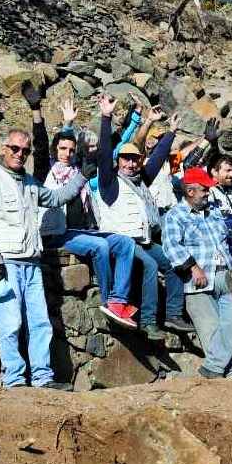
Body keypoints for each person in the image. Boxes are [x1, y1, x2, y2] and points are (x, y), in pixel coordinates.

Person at [0, 127, 91, 389]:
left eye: (25, 151)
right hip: (6, 264)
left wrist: (82, 175)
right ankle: (14, 380)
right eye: (15, 149)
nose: (20, 154)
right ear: (4, 148)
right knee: (10, 324)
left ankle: (42, 378)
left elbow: (58, 196)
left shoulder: (30, 183)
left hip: (32, 264)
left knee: (40, 324)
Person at [29, 98, 137, 328]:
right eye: (62, 149)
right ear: (55, 150)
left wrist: (122, 118)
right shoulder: (47, 173)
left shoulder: (80, 169)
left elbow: (110, 148)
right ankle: (109, 302)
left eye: (70, 149)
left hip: (84, 230)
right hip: (60, 233)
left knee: (125, 243)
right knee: (101, 247)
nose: (67, 154)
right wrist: (41, 113)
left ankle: (119, 300)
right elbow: (40, 146)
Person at [92, 92, 189, 341]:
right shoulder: (109, 182)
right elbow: (103, 155)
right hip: (123, 240)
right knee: (150, 265)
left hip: (144, 240)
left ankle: (173, 314)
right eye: (126, 159)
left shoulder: (141, 181)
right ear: (118, 161)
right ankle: (147, 321)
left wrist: (171, 132)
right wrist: (106, 117)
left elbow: (156, 160)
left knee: (174, 261)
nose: (131, 164)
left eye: (135, 159)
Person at [161, 167, 232, 379]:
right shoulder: (175, 215)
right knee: (210, 328)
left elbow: (226, 240)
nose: (208, 193)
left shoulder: (214, 211)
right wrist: (193, 266)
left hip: (225, 274)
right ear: (190, 191)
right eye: (204, 190)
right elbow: (171, 246)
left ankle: (214, 369)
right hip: (197, 279)